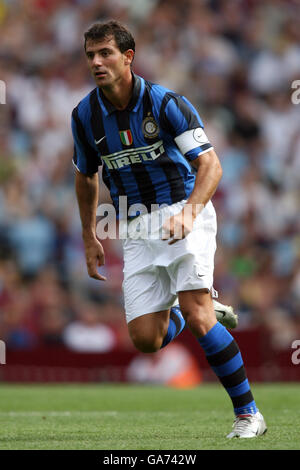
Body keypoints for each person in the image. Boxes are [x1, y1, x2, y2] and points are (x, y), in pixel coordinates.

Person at [71, 20, 266, 438]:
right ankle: (186, 308)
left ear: (128, 57)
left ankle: (249, 414)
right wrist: (89, 234)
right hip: (136, 225)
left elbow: (210, 165)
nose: (96, 62)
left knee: (198, 315)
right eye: (90, 55)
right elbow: (86, 177)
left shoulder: (165, 103)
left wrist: (190, 213)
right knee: (146, 339)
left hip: (182, 210)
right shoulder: (84, 116)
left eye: (105, 53)